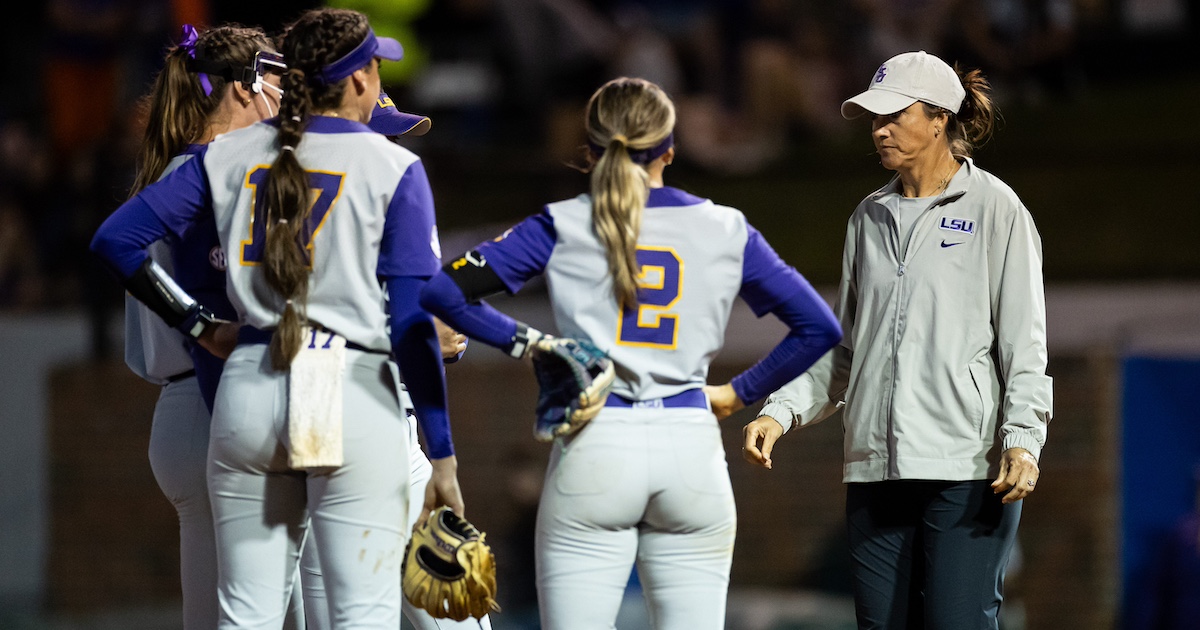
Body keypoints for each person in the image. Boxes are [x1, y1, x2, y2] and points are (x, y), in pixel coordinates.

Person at [419, 76, 842, 630]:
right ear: (670, 147)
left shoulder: (563, 221)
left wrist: (529, 344)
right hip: (690, 445)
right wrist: (738, 393)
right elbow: (818, 326)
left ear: (590, 148)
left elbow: (441, 292)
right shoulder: (724, 225)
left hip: (597, 441)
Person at [91, 7, 462, 627]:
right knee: (352, 611)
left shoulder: (220, 160)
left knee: (239, 615)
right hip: (324, 381)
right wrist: (441, 450)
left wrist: (198, 326)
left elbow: (115, 241)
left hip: (237, 386)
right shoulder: (385, 166)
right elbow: (406, 318)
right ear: (360, 81)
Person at [742, 50, 1052, 629]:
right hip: (875, 471)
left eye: (894, 115)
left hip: (965, 468)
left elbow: (1024, 344)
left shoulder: (998, 211)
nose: (879, 129)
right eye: (873, 118)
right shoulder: (867, 218)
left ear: (939, 119)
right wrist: (780, 412)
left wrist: (1023, 441)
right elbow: (846, 347)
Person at [296, 92, 491, 630]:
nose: (394, 147)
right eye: (384, 135)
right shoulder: (386, 189)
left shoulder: (273, 181)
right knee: (456, 615)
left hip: (303, 405)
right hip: (370, 412)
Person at [118, 22, 288, 629]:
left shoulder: (176, 172)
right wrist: (198, 323)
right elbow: (118, 245)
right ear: (242, 89)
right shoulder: (214, 174)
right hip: (216, 394)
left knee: (214, 617)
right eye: (275, 79)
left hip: (180, 410)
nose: (284, 93)